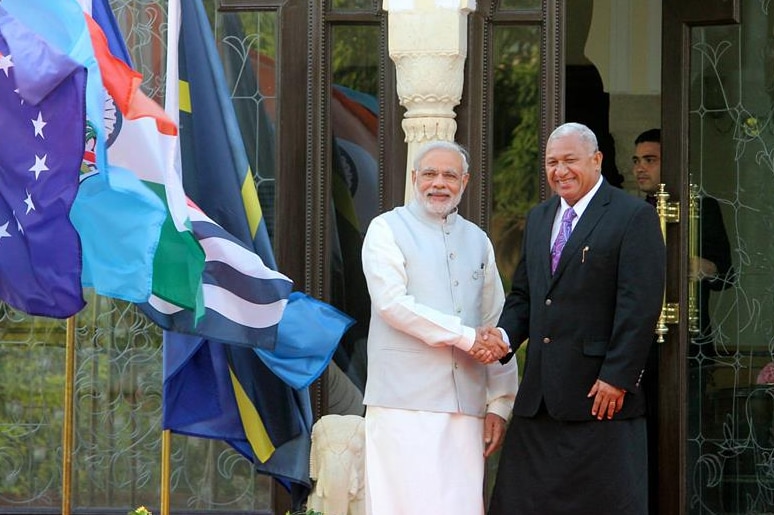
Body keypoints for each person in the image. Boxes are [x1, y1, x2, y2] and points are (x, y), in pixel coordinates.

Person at [487, 122, 666, 515]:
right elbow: (525, 296)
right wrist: (503, 336)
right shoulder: (538, 217)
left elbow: (640, 304)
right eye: (552, 162)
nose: (560, 170)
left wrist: (618, 375)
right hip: (540, 399)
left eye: (570, 160)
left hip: (600, 397)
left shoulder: (632, 216)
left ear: (597, 160)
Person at [360, 140, 519, 515]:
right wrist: (466, 337)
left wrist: (500, 402)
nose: (439, 183)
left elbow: (494, 320)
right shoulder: (386, 229)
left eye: (450, 175)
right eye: (429, 174)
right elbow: (392, 304)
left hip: (465, 405)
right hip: (402, 401)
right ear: (414, 178)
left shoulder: (477, 240)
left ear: (464, 182)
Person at [632, 128, 735, 514]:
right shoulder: (631, 212)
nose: (640, 168)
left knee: (689, 434)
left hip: (690, 343)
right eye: (637, 160)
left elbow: (727, 276)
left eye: (650, 159)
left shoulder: (702, 208)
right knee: (642, 434)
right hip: (639, 348)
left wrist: (698, 266)